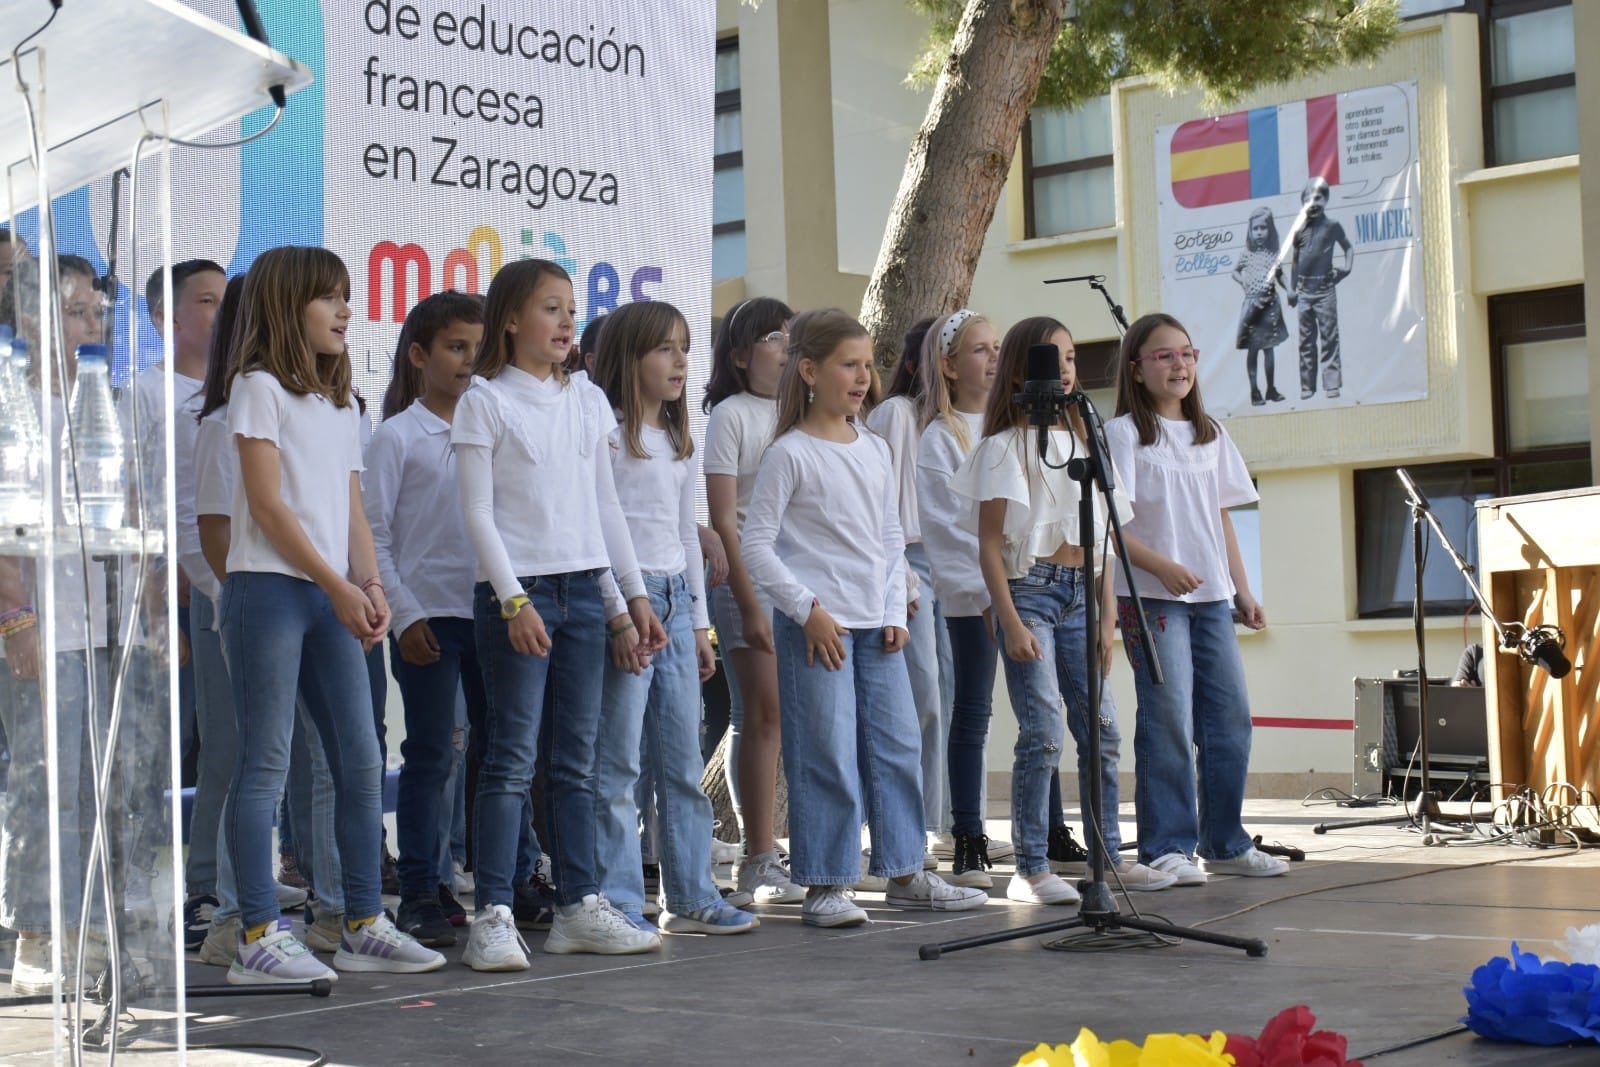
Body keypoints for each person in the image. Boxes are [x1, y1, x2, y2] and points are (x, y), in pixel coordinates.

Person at [219, 246, 445, 984]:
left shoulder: (342, 403)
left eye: (347, 296)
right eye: (329, 297)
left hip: (330, 596)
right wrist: (337, 584)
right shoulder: (257, 387)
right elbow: (266, 506)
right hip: (267, 591)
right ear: (289, 306)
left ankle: (362, 922)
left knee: (360, 757)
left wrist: (370, 584)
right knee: (266, 762)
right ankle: (257, 931)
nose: (346, 310)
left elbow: (350, 506)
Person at [742, 308, 988, 927]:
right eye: (847, 365)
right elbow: (757, 546)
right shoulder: (789, 454)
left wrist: (893, 607)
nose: (862, 377)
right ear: (808, 371)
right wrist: (807, 610)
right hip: (818, 629)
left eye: (867, 365)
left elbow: (888, 535)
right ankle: (826, 884)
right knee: (825, 751)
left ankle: (905, 870)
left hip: (878, 627)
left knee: (898, 744)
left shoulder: (875, 448)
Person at [452, 258, 666, 970]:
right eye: (551, 307)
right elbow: (478, 513)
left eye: (571, 308)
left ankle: (579, 905)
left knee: (575, 761)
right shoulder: (485, 400)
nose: (567, 320)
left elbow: (604, 507)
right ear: (511, 319)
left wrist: (629, 599)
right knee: (510, 759)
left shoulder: (588, 399)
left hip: (584, 592)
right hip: (520, 595)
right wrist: (512, 598)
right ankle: (493, 913)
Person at [953, 317, 1177, 904]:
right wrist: (1009, 619)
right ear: (1022, 371)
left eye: (1073, 358)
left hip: (1084, 592)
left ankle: (1108, 857)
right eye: (1055, 360)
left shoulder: (1084, 444)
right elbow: (988, 544)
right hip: (1030, 591)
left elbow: (1102, 539)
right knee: (1044, 730)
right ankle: (1029, 867)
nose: (1068, 370)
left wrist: (1107, 618)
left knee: (1102, 729)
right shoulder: (1003, 447)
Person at [591, 299, 758, 937]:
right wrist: (620, 610)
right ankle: (620, 900)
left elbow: (686, 535)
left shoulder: (678, 439)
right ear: (628, 357)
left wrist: (698, 624)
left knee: (681, 761)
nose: (680, 360)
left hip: (674, 604)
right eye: (664, 348)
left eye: (685, 347)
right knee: (619, 766)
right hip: (626, 601)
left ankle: (689, 895)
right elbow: (599, 530)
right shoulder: (607, 436)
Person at [1107, 312, 1287, 884]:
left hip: (1212, 599)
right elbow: (1110, 523)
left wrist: (1243, 588)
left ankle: (1225, 843)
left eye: (1186, 353)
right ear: (1137, 369)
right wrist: (1161, 566)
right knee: (1167, 717)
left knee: (1229, 719)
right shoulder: (1123, 435)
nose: (1179, 364)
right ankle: (1166, 846)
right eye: (1164, 355)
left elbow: (1221, 516)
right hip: (1151, 598)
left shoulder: (1210, 433)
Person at [0, 256, 112, 993]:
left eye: (97, 311)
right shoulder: (11, 402)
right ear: (32, 318)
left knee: (88, 787)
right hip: (40, 627)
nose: (92, 324)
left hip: (96, 625)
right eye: (76, 312)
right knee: (43, 782)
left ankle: (84, 923)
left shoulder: (99, 399)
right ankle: (36, 934)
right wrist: (17, 619)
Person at [366, 290, 486, 948]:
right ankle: (417, 889)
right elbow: (375, 536)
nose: (469, 360)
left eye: (479, 349)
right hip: (428, 619)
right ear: (419, 355)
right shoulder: (397, 436)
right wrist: (405, 615)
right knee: (432, 754)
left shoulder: (490, 428)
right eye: (455, 347)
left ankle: (499, 883)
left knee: (499, 754)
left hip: (492, 612)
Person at [702, 296, 803, 904]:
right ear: (740, 355)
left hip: (801, 580)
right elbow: (723, 518)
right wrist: (747, 600)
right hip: (749, 581)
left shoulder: (801, 413)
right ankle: (757, 857)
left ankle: (793, 851)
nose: (787, 348)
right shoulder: (731, 415)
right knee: (759, 715)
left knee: (790, 717)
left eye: (793, 336)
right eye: (774, 338)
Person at [867, 313, 968, 866]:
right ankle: (920, 824)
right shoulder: (895, 414)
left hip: (951, 562)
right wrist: (899, 574)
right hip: (907, 558)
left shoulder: (957, 423)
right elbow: (879, 503)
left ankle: (951, 821)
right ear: (918, 363)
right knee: (923, 693)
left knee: (955, 693)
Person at [914, 312, 1004, 887]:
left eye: (998, 347)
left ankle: (1047, 834)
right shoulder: (941, 438)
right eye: (979, 350)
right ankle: (967, 836)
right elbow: (949, 527)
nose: (993, 358)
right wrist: (992, 587)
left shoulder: (1014, 426)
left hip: (1027, 589)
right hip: (976, 596)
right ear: (949, 366)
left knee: (1040, 713)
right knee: (972, 711)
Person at [1287, 177, 1352, 401]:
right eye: (1308, 199)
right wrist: (1291, 289)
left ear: (1326, 199)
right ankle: (1308, 386)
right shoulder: (1299, 230)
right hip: (1304, 292)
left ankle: (1331, 384)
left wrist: (1346, 269)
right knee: (1306, 341)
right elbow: (1295, 263)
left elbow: (1348, 248)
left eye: (1317, 198)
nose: (1313, 203)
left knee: (1329, 338)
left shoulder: (1332, 226)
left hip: (1325, 290)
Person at [1230, 207, 1288, 406]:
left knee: (1269, 349)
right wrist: (1242, 281)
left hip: (1270, 305)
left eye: (1263, 228)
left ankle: (1271, 388)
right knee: (1253, 349)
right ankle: (1255, 391)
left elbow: (1280, 275)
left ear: (1270, 230)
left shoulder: (1274, 254)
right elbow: (1235, 272)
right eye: (1256, 229)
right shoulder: (1246, 254)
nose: (1260, 232)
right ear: (1250, 231)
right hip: (1253, 306)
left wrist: (1290, 289)